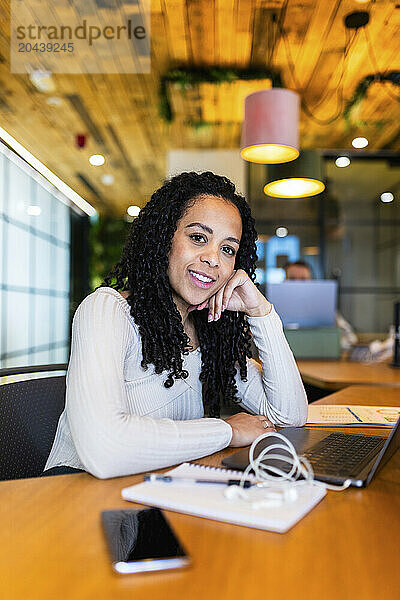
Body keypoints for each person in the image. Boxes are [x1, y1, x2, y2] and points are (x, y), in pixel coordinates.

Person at [44, 172, 307, 479]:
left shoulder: (211, 332)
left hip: (157, 496)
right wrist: (226, 431)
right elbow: (105, 450)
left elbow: (289, 415)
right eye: (198, 238)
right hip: (73, 501)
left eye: (228, 249)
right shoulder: (106, 310)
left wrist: (260, 311)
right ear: (164, 238)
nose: (213, 259)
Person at [283, 260, 358, 350]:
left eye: (303, 279)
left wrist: (331, 341)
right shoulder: (270, 309)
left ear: (311, 281)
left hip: (321, 358)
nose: (298, 284)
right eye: (292, 279)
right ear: (284, 280)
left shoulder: (325, 308)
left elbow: (351, 339)